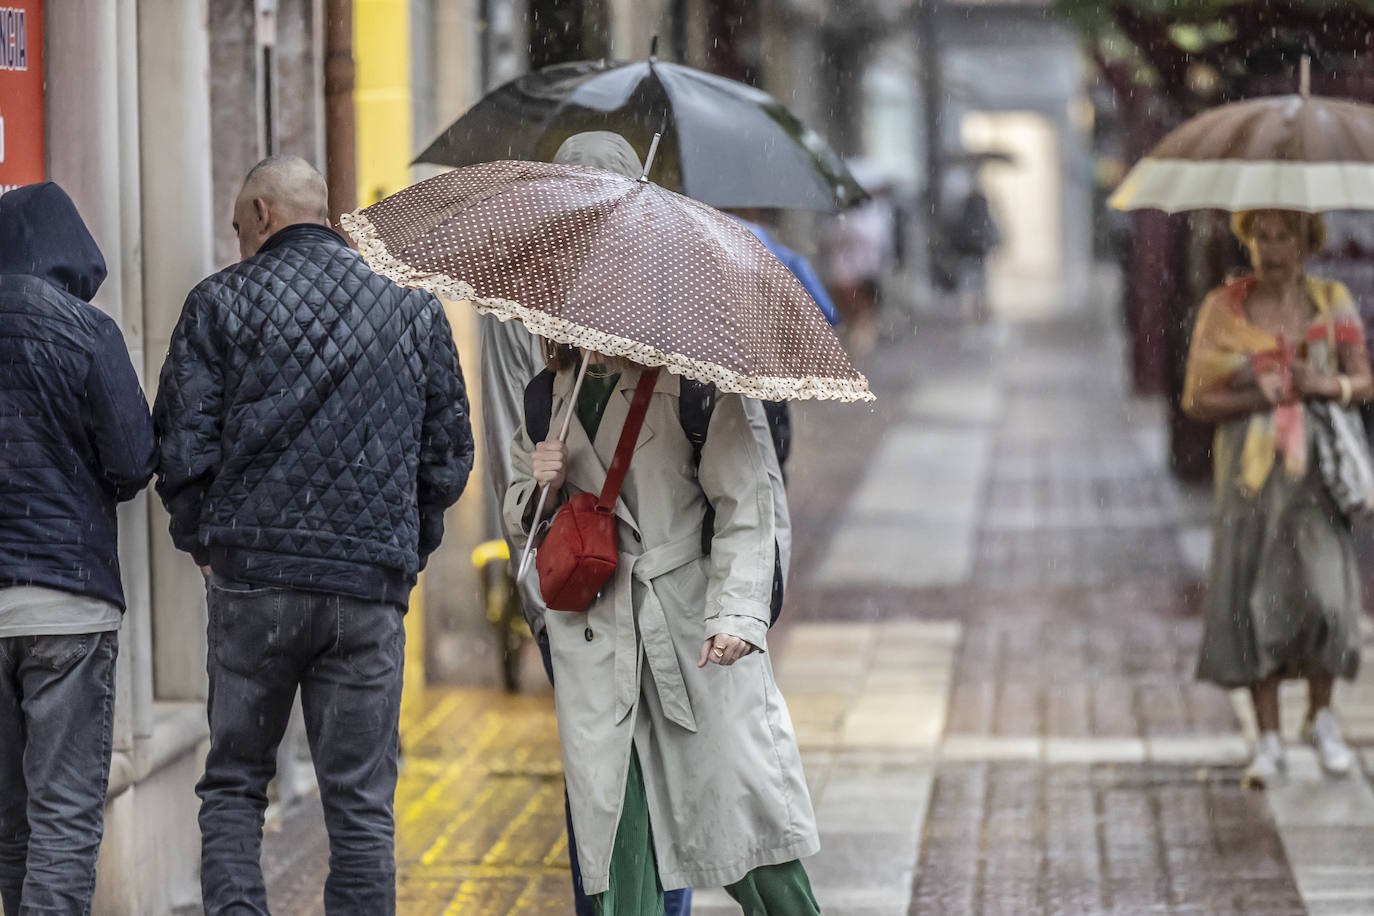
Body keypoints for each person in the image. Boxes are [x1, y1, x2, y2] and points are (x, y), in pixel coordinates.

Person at [153, 156, 474, 914]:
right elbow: (448, 457)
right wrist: (404, 549)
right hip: (367, 592)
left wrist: (207, 543)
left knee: (234, 783)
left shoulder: (220, 304)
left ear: (264, 214)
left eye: (238, 227)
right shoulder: (411, 308)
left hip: (253, 584)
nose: (238, 242)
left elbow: (179, 447)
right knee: (361, 802)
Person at [505, 344, 821, 914]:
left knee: (747, 828)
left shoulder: (696, 384)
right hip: (597, 642)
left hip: (687, 630)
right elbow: (522, 521)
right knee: (618, 844)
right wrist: (539, 488)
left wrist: (736, 614)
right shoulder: (547, 395)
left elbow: (746, 503)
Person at [479, 130, 699, 916]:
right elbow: (520, 425)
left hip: (603, 572)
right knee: (627, 773)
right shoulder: (536, 297)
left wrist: (534, 568)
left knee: (617, 774)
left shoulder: (670, 294)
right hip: (599, 572)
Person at [0, 183, 156, 915]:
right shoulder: (88, 334)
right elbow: (132, 462)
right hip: (68, 604)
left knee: (9, 821)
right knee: (62, 817)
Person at [1182, 209, 1370, 788]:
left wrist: (1323, 386)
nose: (1270, 247)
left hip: (1316, 471)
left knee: (1327, 598)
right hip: (1250, 473)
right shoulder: (1223, 309)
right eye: (1260, 235)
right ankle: (1266, 739)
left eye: (1283, 235)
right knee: (1256, 594)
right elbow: (1197, 398)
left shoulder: (1330, 302)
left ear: (1308, 240)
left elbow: (1363, 380)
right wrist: (1253, 395)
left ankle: (1320, 716)